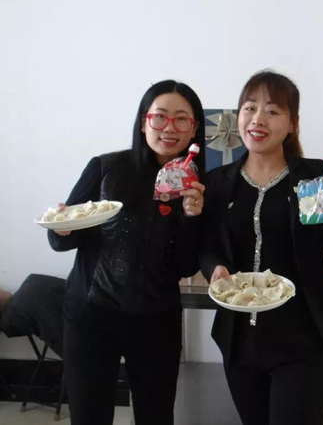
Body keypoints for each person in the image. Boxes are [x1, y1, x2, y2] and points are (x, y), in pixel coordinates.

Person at [199, 70, 323, 425]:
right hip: (239, 338)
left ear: (292, 124)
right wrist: (215, 270)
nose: (258, 119)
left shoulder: (316, 176)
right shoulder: (218, 182)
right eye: (249, 108)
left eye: (272, 111)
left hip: (305, 339)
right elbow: (208, 246)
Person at [48, 80, 206, 425]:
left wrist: (191, 219)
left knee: (156, 416)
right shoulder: (106, 168)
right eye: (160, 116)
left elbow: (185, 266)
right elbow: (61, 240)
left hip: (156, 321)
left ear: (194, 128)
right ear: (143, 121)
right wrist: (61, 226)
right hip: (92, 314)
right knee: (89, 416)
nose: (169, 128)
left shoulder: (195, 183)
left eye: (182, 119)